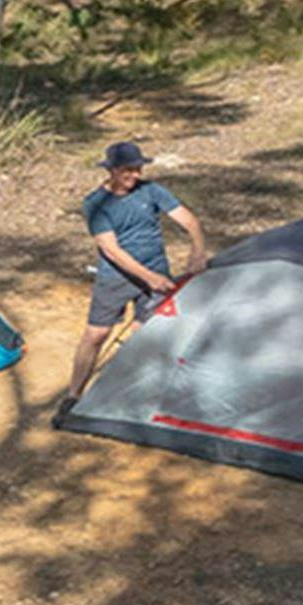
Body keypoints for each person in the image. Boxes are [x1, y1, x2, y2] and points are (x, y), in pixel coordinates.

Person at [57, 140, 207, 419]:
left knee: (148, 333)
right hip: (116, 278)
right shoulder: (95, 204)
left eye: (137, 169)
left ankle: (133, 395)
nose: (134, 176)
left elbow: (189, 221)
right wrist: (149, 277)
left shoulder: (151, 191)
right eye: (128, 170)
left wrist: (197, 250)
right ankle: (73, 395)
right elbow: (111, 251)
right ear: (112, 170)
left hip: (157, 272)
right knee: (96, 335)